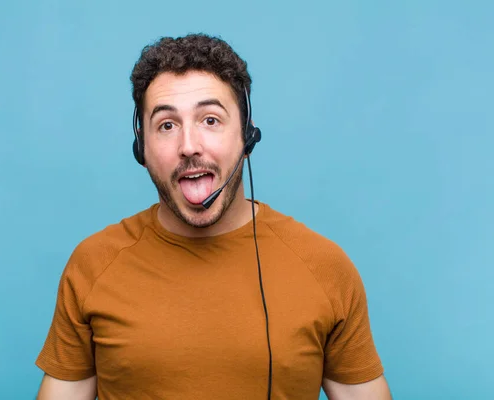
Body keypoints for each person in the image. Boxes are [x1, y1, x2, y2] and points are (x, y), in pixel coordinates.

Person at [35, 33, 392, 400]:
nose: (189, 146)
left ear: (247, 135)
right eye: (167, 125)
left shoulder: (324, 266)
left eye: (210, 120)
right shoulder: (93, 264)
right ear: (141, 146)